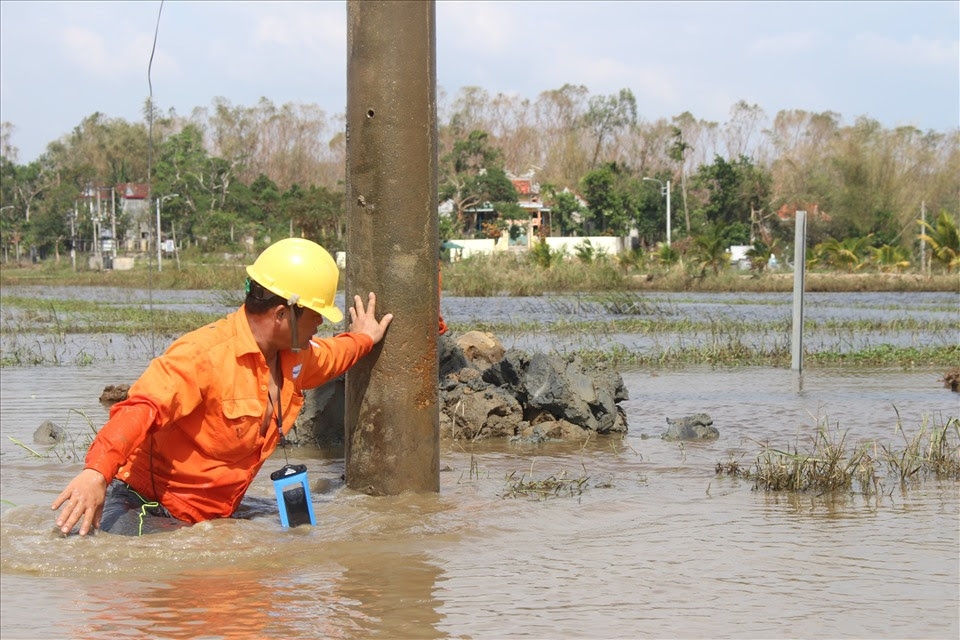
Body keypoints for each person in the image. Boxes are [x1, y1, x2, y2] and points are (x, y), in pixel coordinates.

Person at [52, 238, 393, 536]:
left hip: (215, 512)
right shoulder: (202, 355)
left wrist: (364, 337)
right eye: (316, 314)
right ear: (282, 315)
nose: (321, 323)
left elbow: (336, 353)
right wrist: (95, 473)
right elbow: (141, 409)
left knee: (302, 535)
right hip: (145, 508)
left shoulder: (295, 358)